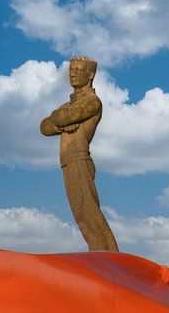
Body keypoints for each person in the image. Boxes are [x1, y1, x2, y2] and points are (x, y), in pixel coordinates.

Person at [40, 56, 119, 251]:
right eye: (70, 70)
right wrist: (60, 119)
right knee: (82, 216)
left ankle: (110, 259)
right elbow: (45, 127)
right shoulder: (69, 105)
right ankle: (103, 256)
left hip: (78, 160)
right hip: (68, 162)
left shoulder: (92, 101)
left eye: (78, 69)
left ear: (90, 74)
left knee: (88, 213)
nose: (72, 73)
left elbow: (63, 117)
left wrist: (60, 118)